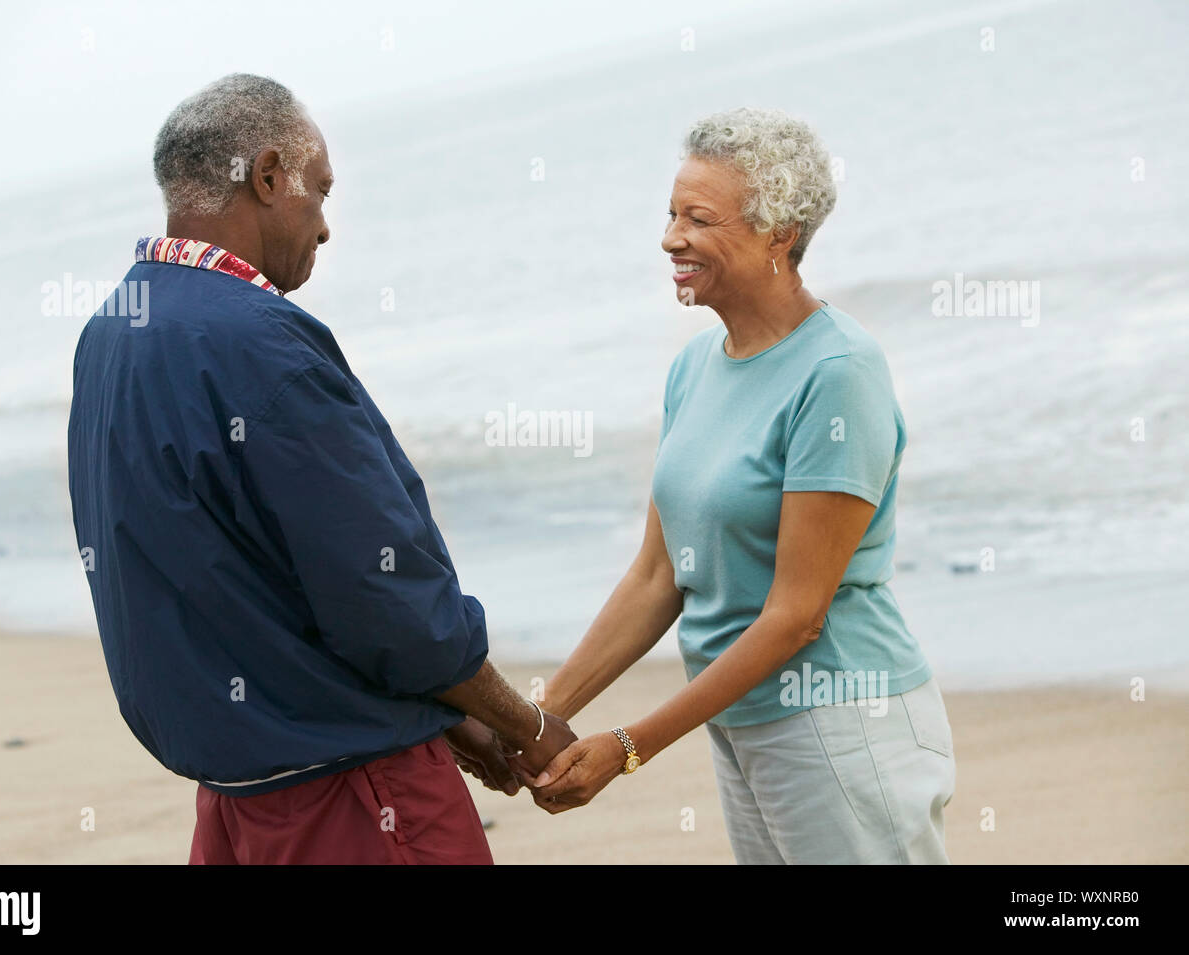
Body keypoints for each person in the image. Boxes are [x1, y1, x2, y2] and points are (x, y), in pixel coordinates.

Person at [67, 74, 572, 865]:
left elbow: (230, 577)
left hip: (234, 803)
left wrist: (446, 715)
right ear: (268, 176)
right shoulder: (259, 341)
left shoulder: (109, 338)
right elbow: (386, 593)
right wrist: (525, 723)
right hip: (358, 796)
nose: (326, 227)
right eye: (319, 192)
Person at [526, 108, 956, 864]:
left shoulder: (837, 372)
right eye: (669, 214)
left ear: (779, 234)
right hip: (742, 728)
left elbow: (796, 615)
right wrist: (538, 717)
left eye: (698, 219)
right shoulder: (694, 368)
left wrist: (628, 746)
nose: (669, 238)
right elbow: (659, 575)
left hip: (842, 725)